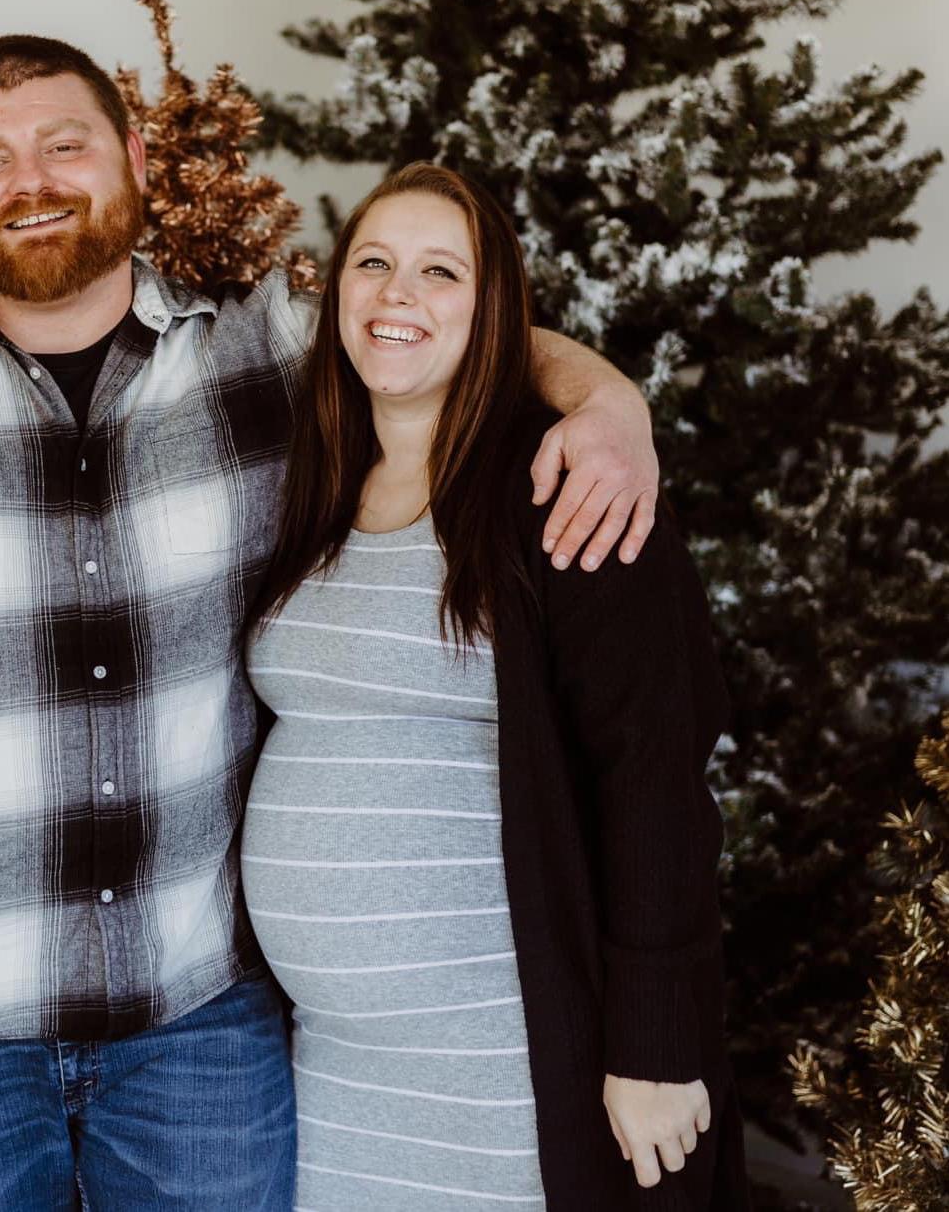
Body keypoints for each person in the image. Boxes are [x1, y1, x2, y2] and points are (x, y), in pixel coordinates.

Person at [0, 36, 664, 1211]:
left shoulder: (267, 349)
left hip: (201, 1021)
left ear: (135, 160)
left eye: (65, 144)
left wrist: (609, 402)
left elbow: (436, 329)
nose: (30, 181)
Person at [241, 163, 750, 1210]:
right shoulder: (315, 477)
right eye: (373, 262)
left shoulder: (569, 486)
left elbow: (653, 768)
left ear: (495, 312)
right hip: (334, 1072)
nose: (397, 293)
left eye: (441, 272)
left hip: (509, 1056)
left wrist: (654, 1043)